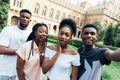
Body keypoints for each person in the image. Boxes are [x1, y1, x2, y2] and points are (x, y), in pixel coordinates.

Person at [0, 9, 32, 80]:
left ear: (30, 20)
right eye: (23, 17)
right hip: (6, 71)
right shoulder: (8, 30)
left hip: (21, 73)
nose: (25, 19)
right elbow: (1, 49)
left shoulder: (31, 34)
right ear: (19, 18)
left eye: (27, 18)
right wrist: (20, 51)